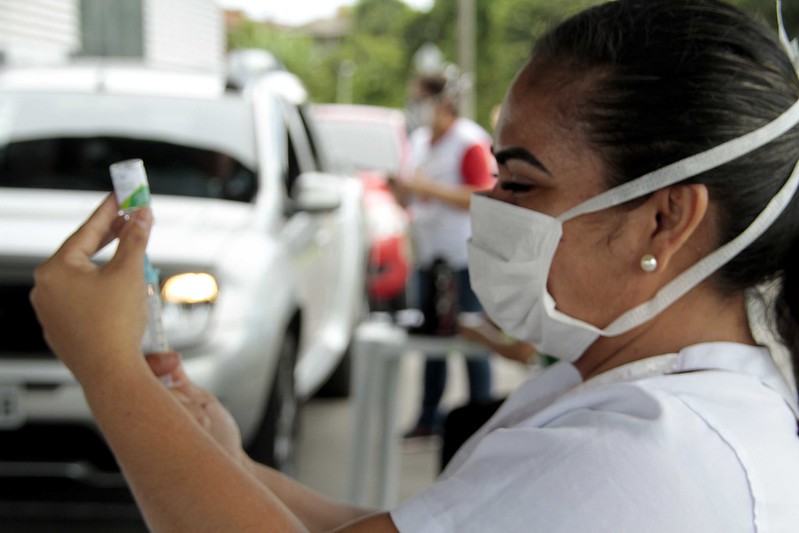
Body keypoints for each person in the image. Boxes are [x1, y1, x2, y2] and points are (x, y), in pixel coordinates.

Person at [29, 0, 799, 530]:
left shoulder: (651, 455)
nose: (489, 206)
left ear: (665, 216)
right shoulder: (615, 390)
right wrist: (224, 461)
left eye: (520, 182)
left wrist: (109, 371)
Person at [391, 73, 496, 438]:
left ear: (444, 101)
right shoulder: (419, 141)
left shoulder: (469, 140)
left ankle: (481, 421)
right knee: (431, 339)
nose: (416, 107)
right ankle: (427, 418)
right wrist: (401, 191)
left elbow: (483, 196)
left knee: (474, 340)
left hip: (464, 259)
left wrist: (428, 188)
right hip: (429, 257)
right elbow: (412, 197)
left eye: (422, 99)